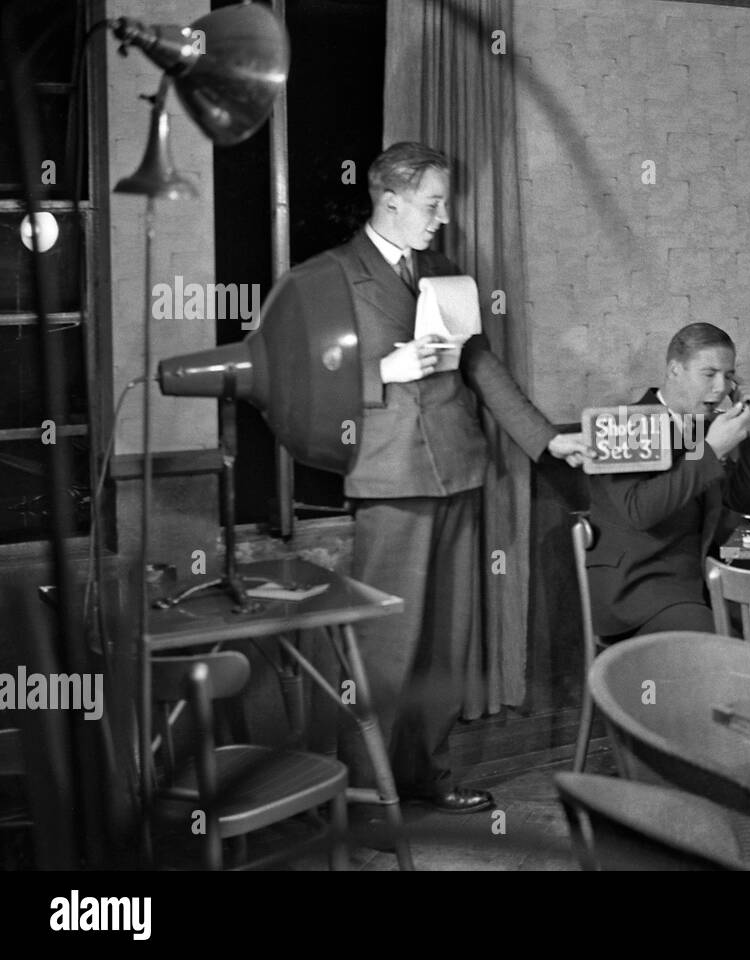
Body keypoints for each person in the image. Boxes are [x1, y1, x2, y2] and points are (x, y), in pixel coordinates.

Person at [274, 142, 591, 814]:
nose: (443, 216)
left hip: (459, 470)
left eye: (443, 202)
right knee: (387, 650)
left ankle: (427, 778)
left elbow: (479, 364)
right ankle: (364, 796)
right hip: (390, 479)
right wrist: (386, 369)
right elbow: (292, 378)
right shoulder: (327, 278)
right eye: (432, 203)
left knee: (447, 644)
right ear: (389, 199)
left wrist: (546, 440)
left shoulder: (444, 272)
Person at [585, 323, 750, 639]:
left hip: (699, 583)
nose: (721, 388)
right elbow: (640, 510)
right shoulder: (621, 424)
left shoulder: (704, 428)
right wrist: (711, 451)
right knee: (713, 643)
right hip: (638, 590)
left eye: (728, 376)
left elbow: (743, 501)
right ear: (674, 370)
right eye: (709, 374)